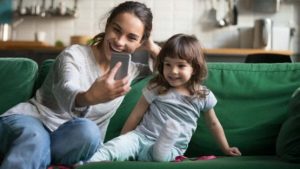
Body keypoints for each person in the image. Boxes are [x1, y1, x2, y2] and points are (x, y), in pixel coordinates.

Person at [0, 1, 160, 169]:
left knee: (89, 132)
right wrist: (89, 97)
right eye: (116, 30)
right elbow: (66, 89)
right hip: (34, 121)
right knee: (35, 137)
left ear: (140, 43)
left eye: (132, 38)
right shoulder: (74, 55)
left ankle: (40, 156)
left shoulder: (132, 71)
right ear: (107, 26)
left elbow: (176, 68)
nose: (120, 41)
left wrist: (152, 46)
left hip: (69, 140)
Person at [89, 34, 242, 162]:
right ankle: (88, 163)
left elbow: (214, 124)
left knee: (160, 155)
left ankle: (166, 137)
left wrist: (226, 148)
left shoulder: (202, 95)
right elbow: (136, 115)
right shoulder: (157, 87)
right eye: (168, 64)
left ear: (194, 68)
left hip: (172, 147)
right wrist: (124, 139)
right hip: (141, 137)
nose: (173, 71)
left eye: (181, 66)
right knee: (114, 147)